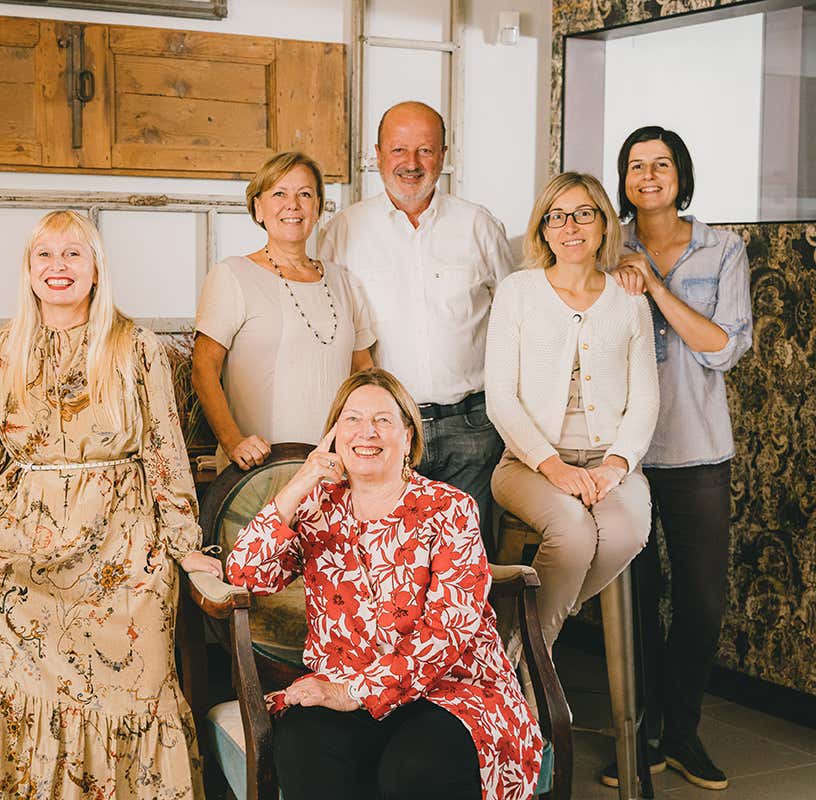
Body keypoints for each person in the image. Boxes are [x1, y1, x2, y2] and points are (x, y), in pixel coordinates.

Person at [0, 210, 222, 800]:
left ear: (96, 269)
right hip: (24, 530)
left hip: (118, 536)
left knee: (138, 613)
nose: (58, 267)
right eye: (45, 255)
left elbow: (166, 454)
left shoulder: (137, 348)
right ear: (28, 269)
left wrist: (185, 548)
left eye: (74, 254)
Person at [226, 368, 542, 800]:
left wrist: (353, 691)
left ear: (408, 436)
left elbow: (447, 632)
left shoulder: (449, 510)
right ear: (334, 436)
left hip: (448, 690)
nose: (365, 432)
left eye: (382, 420)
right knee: (303, 747)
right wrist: (301, 482)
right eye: (351, 419)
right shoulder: (318, 509)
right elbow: (246, 572)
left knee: (411, 771)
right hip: (340, 682)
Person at [598, 126, 753, 791]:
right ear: (624, 179)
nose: (649, 174)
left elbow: (722, 347)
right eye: (637, 165)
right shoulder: (605, 246)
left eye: (662, 164)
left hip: (696, 450)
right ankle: (641, 736)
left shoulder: (723, 249)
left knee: (700, 598)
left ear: (681, 175)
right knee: (631, 601)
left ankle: (682, 730)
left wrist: (657, 289)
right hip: (623, 455)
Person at [319, 101, 514, 552]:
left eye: (424, 150)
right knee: (390, 565)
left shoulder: (479, 226)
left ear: (443, 155)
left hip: (473, 428)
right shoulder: (343, 231)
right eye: (399, 149)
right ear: (378, 153)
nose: (411, 164)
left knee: (467, 566)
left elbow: (516, 315)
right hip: (384, 433)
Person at [486, 172, 659, 659]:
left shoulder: (629, 301)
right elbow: (500, 396)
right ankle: (525, 666)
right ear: (543, 230)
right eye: (556, 217)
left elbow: (645, 400)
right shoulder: (518, 291)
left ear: (604, 224)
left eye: (584, 213)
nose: (571, 226)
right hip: (527, 465)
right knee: (574, 532)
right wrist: (553, 466)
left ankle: (516, 652)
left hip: (610, 464)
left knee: (627, 532)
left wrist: (616, 466)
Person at [193, 150, 374, 471]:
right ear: (258, 208)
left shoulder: (344, 281)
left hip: (334, 465)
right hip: (258, 468)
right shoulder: (232, 274)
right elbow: (203, 368)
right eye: (279, 193)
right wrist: (233, 441)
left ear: (317, 207)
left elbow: (364, 373)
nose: (293, 204)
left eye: (304, 194)